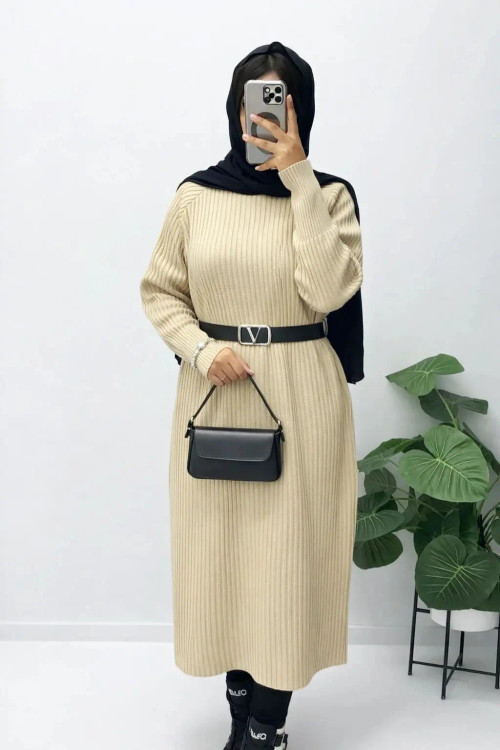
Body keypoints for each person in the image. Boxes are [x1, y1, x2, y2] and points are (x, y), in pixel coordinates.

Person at [140, 40, 363, 750]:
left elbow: (328, 293)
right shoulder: (195, 196)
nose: (263, 116)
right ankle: (241, 710)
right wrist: (204, 350)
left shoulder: (329, 196)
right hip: (215, 392)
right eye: (253, 100)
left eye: (279, 102)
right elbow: (161, 292)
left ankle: (266, 728)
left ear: (302, 110)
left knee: (286, 561)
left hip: (301, 394)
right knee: (223, 559)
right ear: (235, 108)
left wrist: (297, 176)